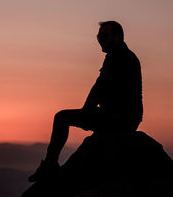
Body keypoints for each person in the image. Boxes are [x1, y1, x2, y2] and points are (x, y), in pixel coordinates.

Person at [28, 20, 143, 182]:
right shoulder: (121, 56)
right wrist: (88, 111)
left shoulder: (119, 57)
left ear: (118, 37)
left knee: (62, 118)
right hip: (122, 118)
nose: (100, 40)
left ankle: (50, 165)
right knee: (64, 117)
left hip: (118, 119)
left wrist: (86, 112)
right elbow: (102, 88)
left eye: (104, 36)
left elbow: (99, 87)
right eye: (98, 36)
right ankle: (50, 165)